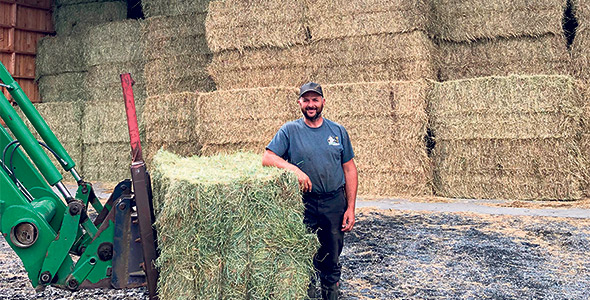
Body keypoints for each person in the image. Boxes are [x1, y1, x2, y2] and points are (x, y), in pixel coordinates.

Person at [262, 82, 358, 300]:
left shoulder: (338, 131)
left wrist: (350, 207)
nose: (311, 104)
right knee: (302, 255)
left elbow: (349, 169)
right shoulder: (290, 130)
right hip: (303, 204)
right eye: (306, 100)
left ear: (323, 102)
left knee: (331, 255)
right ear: (299, 103)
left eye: (315, 100)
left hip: (334, 202)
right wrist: (293, 169)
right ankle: (307, 294)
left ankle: (331, 293)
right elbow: (268, 157)